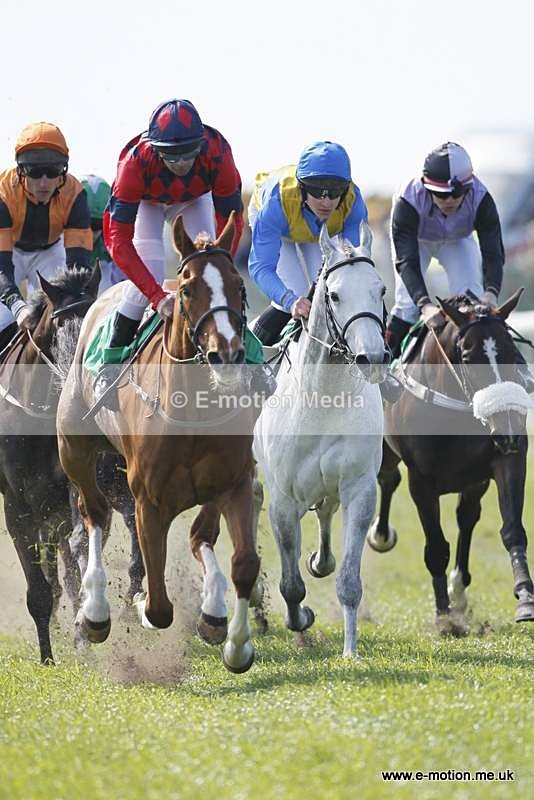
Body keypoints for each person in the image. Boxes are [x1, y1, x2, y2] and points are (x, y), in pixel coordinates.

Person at [93, 98, 245, 407]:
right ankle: (107, 368)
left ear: (200, 144)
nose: (181, 163)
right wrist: (156, 296)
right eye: (171, 155)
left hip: (195, 200)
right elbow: (117, 242)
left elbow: (232, 219)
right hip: (147, 204)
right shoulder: (134, 165)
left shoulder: (219, 153)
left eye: (188, 153)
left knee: (218, 282)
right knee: (145, 284)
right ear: (155, 148)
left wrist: (221, 265)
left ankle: (250, 359)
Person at [387, 141, 505, 353]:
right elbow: (407, 261)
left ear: (469, 188)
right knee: (408, 305)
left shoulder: (482, 199)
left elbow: (493, 251)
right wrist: (424, 305)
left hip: (457, 241)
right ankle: (385, 368)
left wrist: (491, 292)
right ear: (426, 187)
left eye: (457, 193)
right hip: (417, 242)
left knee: (473, 302)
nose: (449, 200)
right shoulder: (407, 201)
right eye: (441, 194)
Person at [248, 140, 368, 345]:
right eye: (317, 191)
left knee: (331, 293)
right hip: (281, 227)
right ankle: (250, 359)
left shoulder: (352, 202)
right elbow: (260, 267)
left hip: (318, 232)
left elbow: (353, 267)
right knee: (298, 295)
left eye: (335, 191)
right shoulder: (276, 203)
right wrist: (289, 301)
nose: (326, 202)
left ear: (345, 189)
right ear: (302, 188)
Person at [0, 122, 92, 350]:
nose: (43, 182)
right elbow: (2, 266)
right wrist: (17, 306)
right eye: (34, 171)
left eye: (52, 172)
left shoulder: (76, 194)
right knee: (4, 319)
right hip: (9, 253)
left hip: (50, 252)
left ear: (63, 170)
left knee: (67, 310)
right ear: (21, 171)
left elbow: (78, 268)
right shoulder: (3, 193)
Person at [80, 174, 126, 293]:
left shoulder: (114, 241)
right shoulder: (57, 240)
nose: (92, 232)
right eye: (86, 224)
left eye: (98, 226)